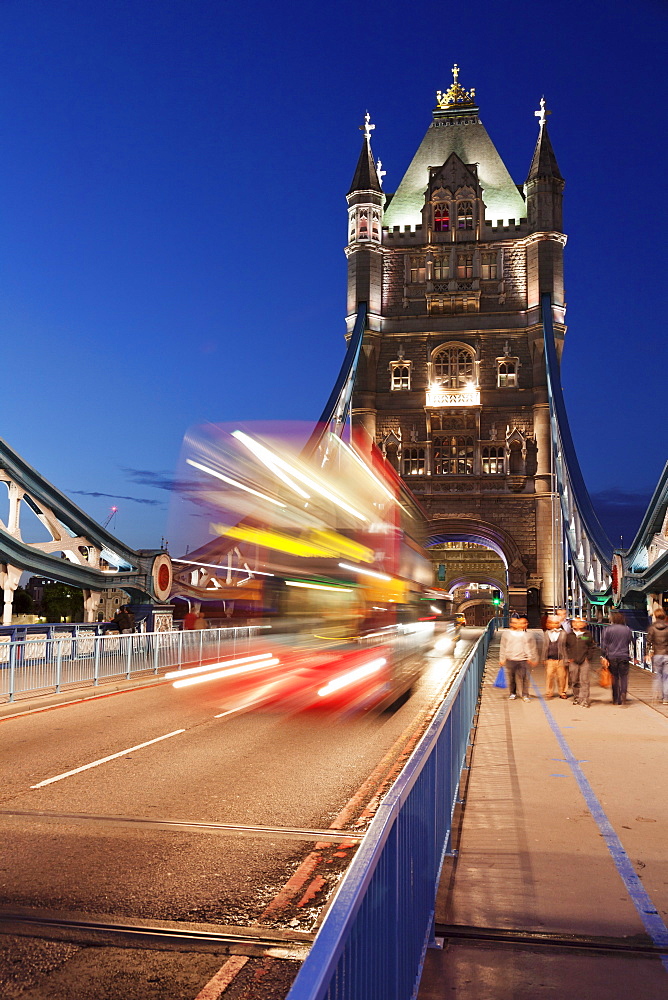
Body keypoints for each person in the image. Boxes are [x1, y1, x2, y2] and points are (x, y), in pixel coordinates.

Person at [499, 616, 538, 702]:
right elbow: (503, 646)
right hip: (510, 658)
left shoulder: (527, 634)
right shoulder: (506, 634)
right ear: (511, 624)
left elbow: (532, 647)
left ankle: (525, 694)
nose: (518, 624)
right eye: (515, 623)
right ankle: (513, 693)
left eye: (519, 623)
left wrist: (532, 658)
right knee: (512, 678)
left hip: (523, 659)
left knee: (524, 678)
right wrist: (502, 658)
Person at [599, 611, 633, 705]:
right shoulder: (627, 630)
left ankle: (616, 698)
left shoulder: (608, 629)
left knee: (615, 677)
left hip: (612, 656)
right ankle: (623, 693)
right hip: (624, 656)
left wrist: (603, 656)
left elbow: (604, 644)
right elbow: (630, 642)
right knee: (624, 677)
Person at [566, 617, 596, 707]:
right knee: (574, 680)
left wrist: (588, 657)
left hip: (584, 661)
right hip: (573, 661)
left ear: (584, 624)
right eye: (574, 622)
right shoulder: (569, 635)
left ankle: (585, 700)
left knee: (584, 681)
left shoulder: (587, 634)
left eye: (579, 622)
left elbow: (591, 646)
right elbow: (565, 647)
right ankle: (577, 698)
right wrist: (569, 657)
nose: (576, 624)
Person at [540, 616, 568, 698]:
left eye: (556, 623)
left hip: (561, 658)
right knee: (549, 676)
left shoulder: (563, 633)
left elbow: (567, 646)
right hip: (550, 659)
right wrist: (543, 658)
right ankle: (549, 692)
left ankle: (562, 692)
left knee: (562, 676)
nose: (554, 625)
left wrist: (566, 658)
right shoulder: (546, 633)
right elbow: (545, 646)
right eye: (551, 623)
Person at [647, 608, 668, 704]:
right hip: (667, 655)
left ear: (655, 616)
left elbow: (649, 642)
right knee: (666, 677)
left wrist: (648, 653)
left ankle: (655, 696)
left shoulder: (652, 628)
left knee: (658, 675)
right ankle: (666, 699)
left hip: (657, 655)